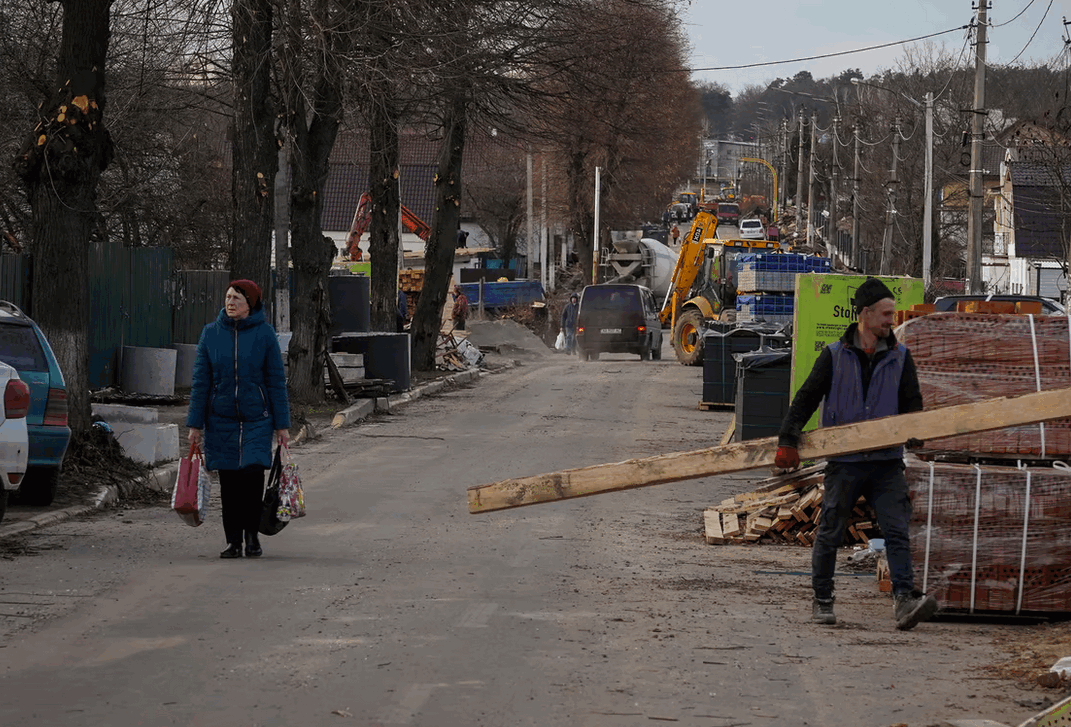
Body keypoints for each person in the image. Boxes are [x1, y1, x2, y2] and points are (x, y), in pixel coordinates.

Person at [775, 277, 937, 631]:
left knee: (896, 530)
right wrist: (787, 441)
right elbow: (806, 399)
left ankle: (904, 600)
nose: (891, 320)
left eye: (892, 313)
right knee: (830, 532)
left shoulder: (900, 356)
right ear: (865, 314)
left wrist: (916, 434)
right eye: (885, 313)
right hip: (845, 463)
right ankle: (822, 601)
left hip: (885, 462)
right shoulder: (834, 355)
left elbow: (913, 405)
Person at [186, 280, 291, 560]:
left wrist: (282, 425)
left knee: (252, 479)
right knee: (230, 483)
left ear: (251, 304)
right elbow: (200, 383)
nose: (230, 302)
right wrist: (195, 426)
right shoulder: (210, 335)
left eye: (237, 299)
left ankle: (252, 538)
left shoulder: (265, 335)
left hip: (258, 420)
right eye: (228, 297)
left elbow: (276, 382)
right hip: (220, 421)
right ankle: (233, 542)